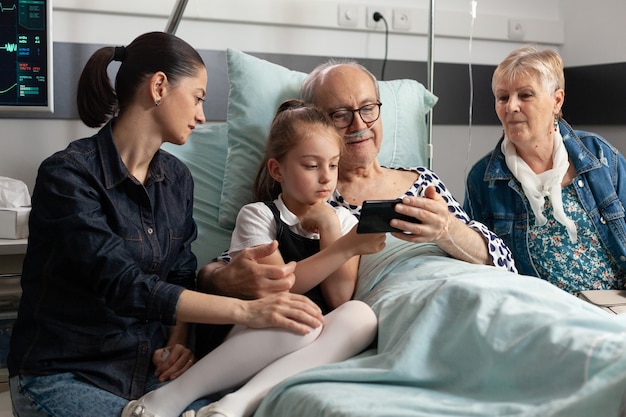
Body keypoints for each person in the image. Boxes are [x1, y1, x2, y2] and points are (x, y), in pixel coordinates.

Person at [7, 32, 324, 417]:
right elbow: (123, 284)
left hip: (150, 374)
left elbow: (179, 271)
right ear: (159, 86)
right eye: (198, 97)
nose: (202, 115)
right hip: (65, 375)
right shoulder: (68, 176)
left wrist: (178, 342)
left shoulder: (176, 178)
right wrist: (247, 312)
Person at [121, 99, 385, 417]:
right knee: (296, 317)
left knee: (361, 317)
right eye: (312, 166)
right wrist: (345, 248)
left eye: (333, 164)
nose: (326, 177)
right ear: (278, 170)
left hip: (304, 342)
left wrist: (330, 226)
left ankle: (237, 404)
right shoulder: (259, 216)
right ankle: (173, 396)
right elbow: (282, 288)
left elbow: (340, 297)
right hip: (250, 335)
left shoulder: (342, 222)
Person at [197, 59, 517, 303]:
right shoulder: (309, 196)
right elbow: (227, 271)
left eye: (368, 108)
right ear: (315, 122)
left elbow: (501, 262)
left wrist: (448, 230)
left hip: (477, 287)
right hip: (407, 303)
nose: (359, 124)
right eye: (340, 114)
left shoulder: (424, 180)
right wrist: (216, 279)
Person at [464, 44, 626, 294]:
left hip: (616, 305)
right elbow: (477, 267)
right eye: (503, 97)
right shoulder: (483, 180)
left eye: (525, 95)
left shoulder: (600, 156)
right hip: (543, 313)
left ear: (556, 100)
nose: (511, 106)